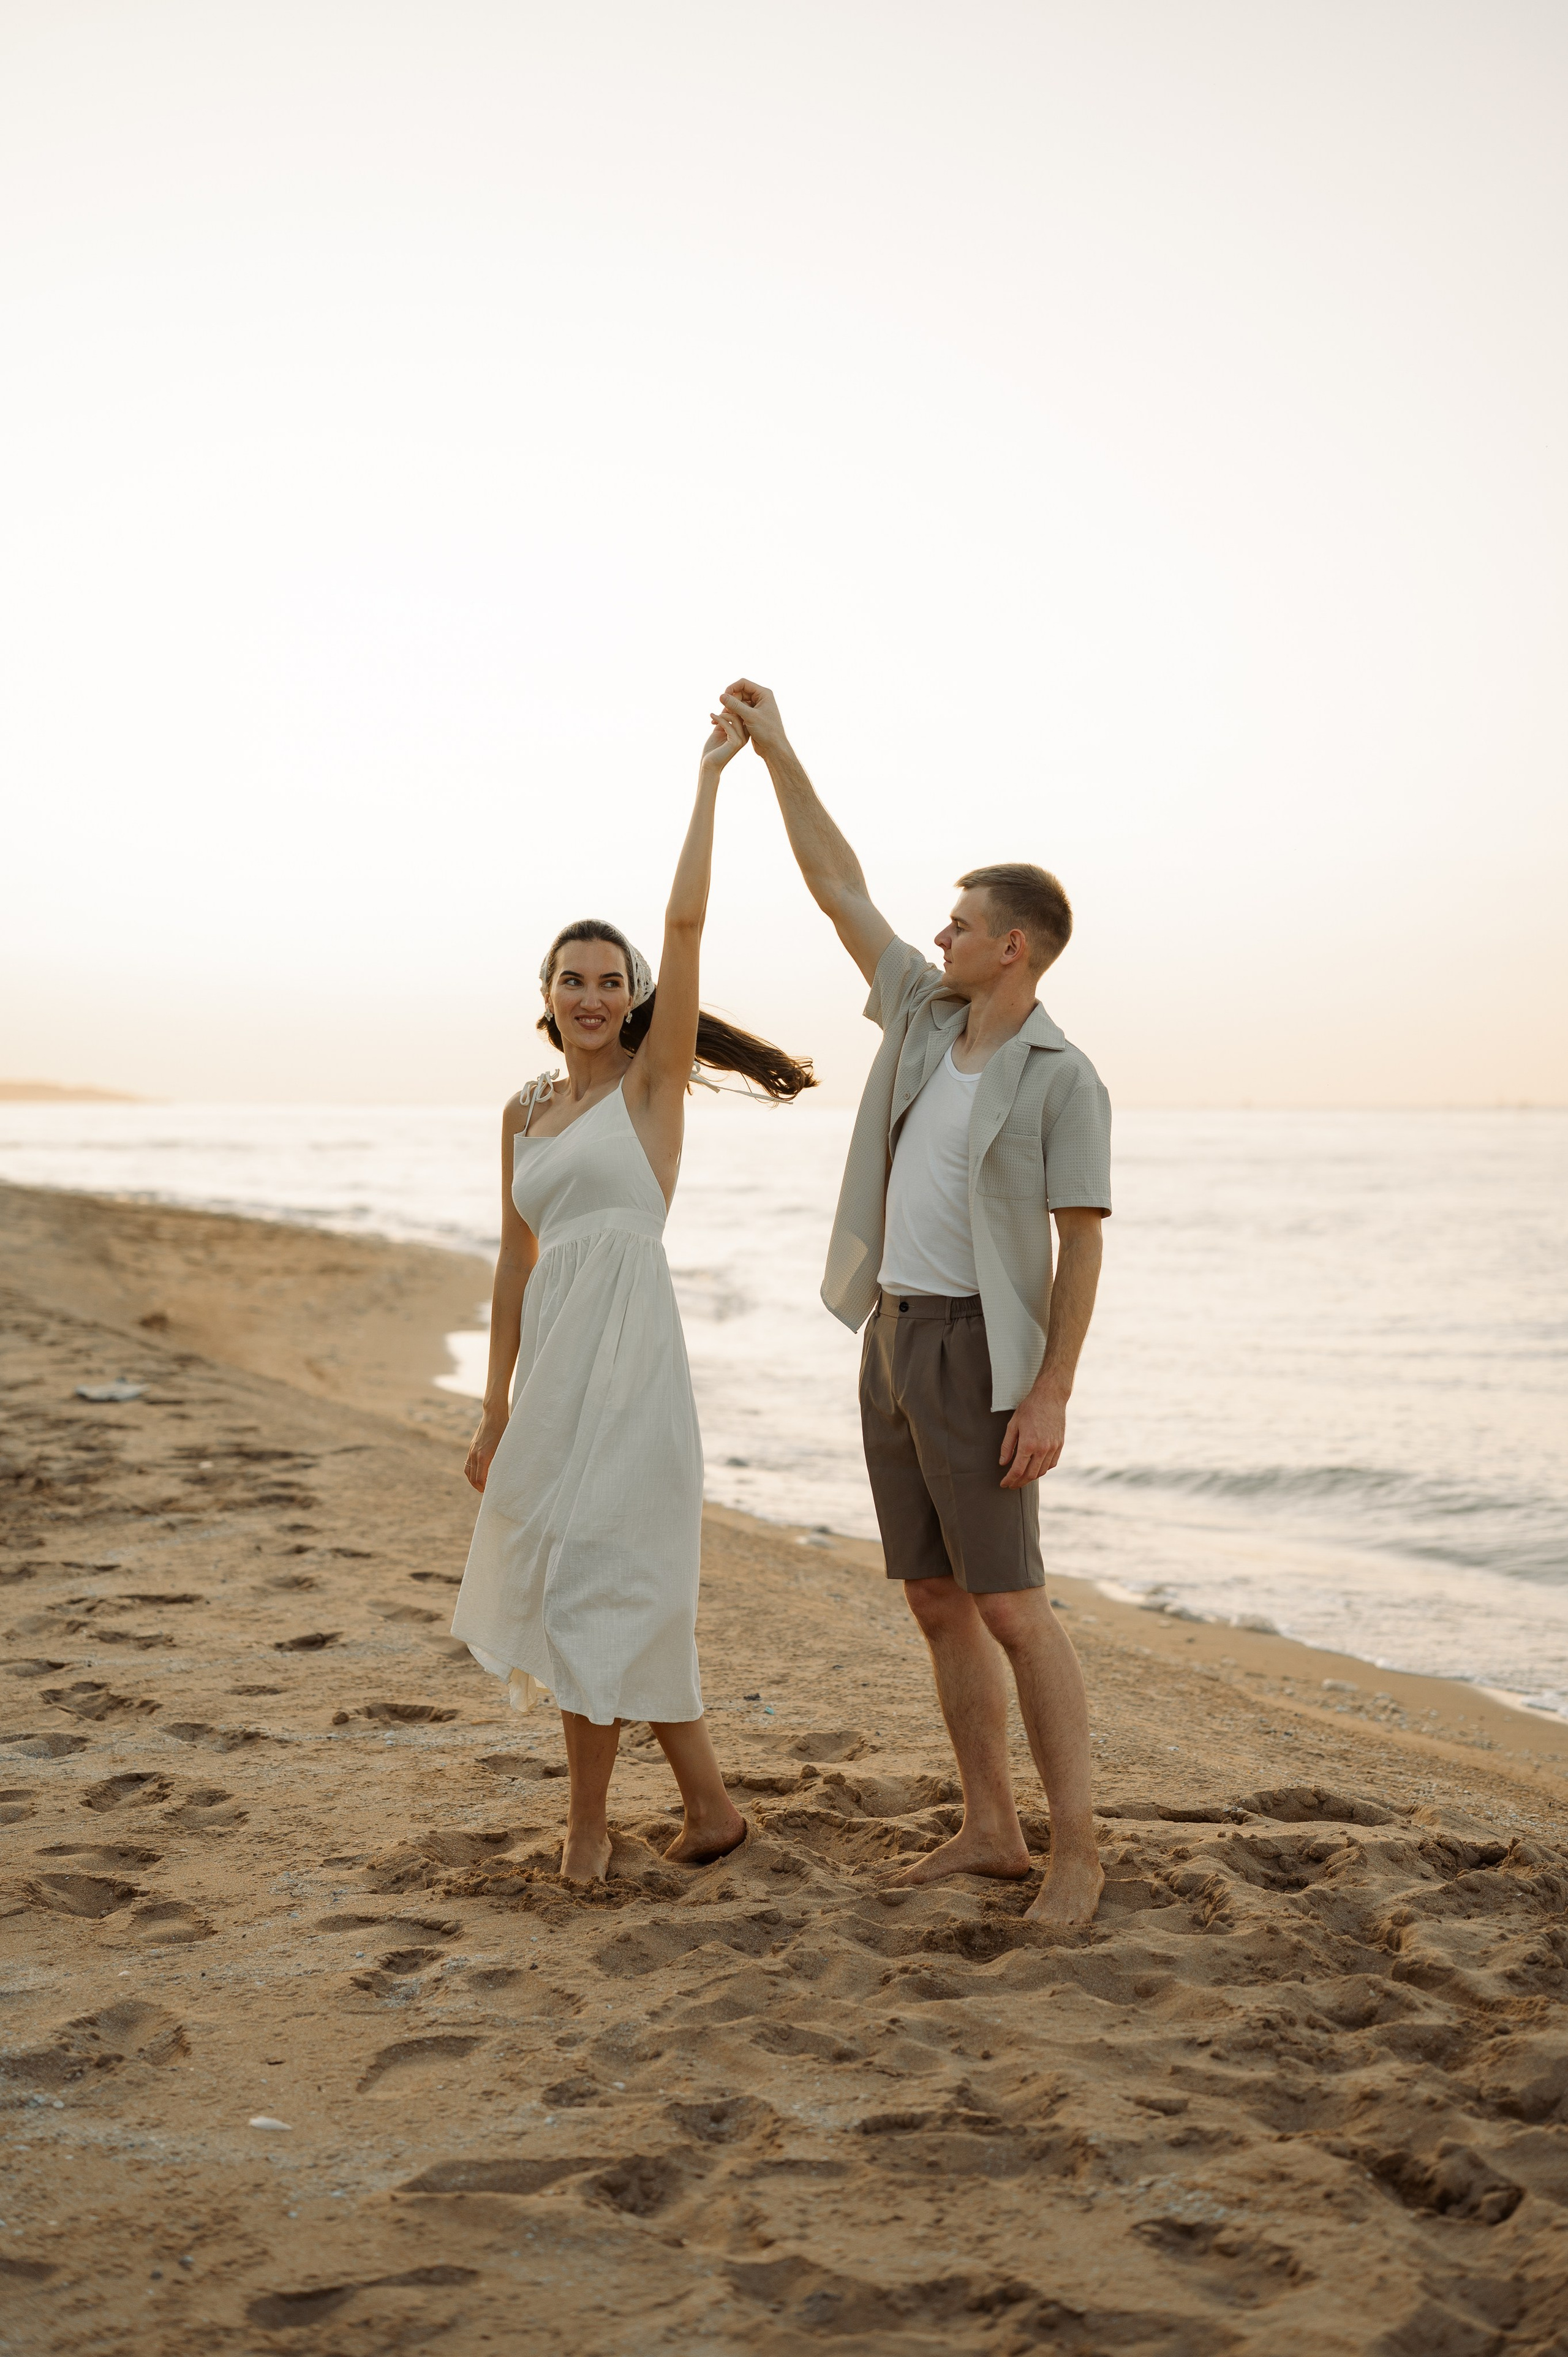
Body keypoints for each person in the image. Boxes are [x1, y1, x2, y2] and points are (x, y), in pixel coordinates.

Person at [720, 678, 1110, 1927]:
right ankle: (989, 1830)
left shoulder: (1064, 1077)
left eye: (958, 926)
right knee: (934, 1598)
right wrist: (777, 751)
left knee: (1011, 1604)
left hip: (981, 1353)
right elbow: (840, 888)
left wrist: (1049, 1387)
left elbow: (1080, 1242)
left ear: (1014, 945)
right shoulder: (916, 1012)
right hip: (891, 1333)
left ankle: (1078, 1848)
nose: (934, 938)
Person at [452, 707, 816, 1884]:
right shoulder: (523, 1113)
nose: (595, 994)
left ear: (634, 995)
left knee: (611, 1580)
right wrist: (494, 1403)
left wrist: (714, 779)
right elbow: (514, 1264)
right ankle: (709, 1810)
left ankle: (587, 1828)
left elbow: (686, 919)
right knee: (587, 1581)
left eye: (613, 981)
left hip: (636, 1362)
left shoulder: (653, 1090)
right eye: (575, 980)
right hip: (556, 1361)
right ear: (546, 995)